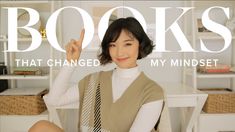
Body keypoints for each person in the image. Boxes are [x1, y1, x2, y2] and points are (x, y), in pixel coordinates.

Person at [29, 17, 164, 132]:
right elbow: (54, 100)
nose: (119, 52)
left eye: (127, 44)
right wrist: (71, 63)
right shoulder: (94, 80)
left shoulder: (152, 91)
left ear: (140, 45)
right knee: (40, 127)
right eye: (113, 45)